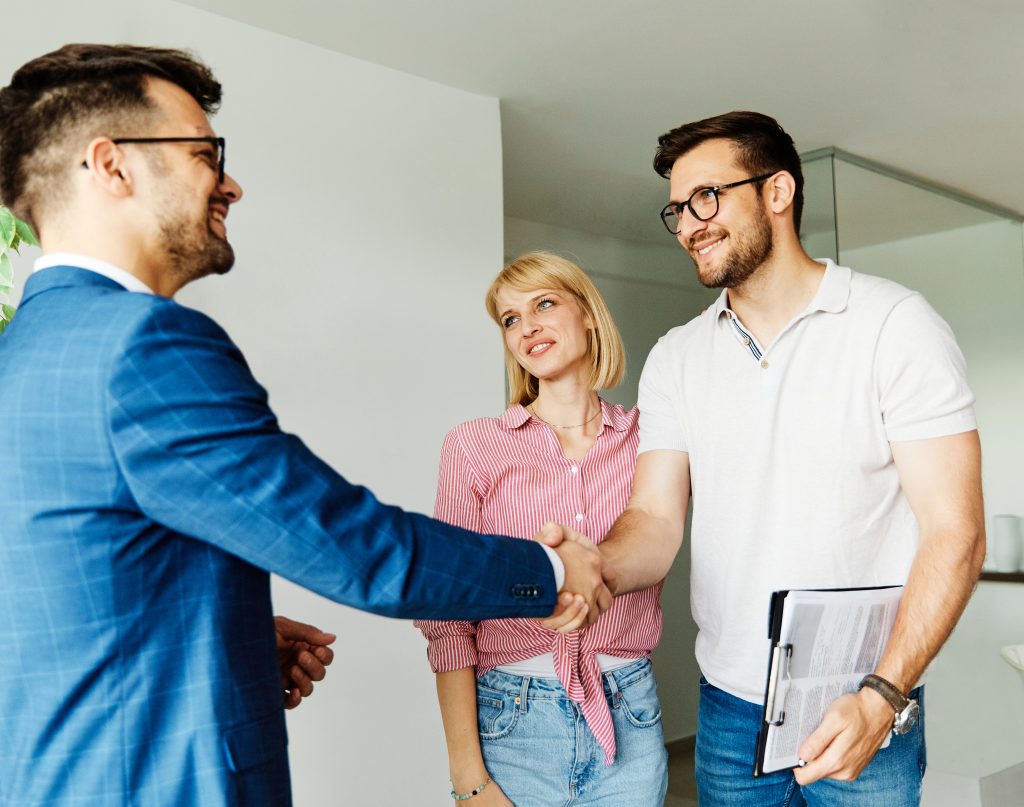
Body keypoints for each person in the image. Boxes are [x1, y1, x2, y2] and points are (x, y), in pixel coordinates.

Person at [0, 44, 610, 807]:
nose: (230, 183)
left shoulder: (20, 351)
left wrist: (235, 643)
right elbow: (355, 545)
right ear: (112, 165)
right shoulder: (145, 346)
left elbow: (66, 594)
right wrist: (551, 572)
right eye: (203, 153)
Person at [546, 111, 985, 805]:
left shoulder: (894, 326)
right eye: (677, 210)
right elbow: (656, 520)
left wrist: (882, 694)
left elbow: (955, 532)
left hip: (864, 701)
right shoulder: (677, 357)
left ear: (777, 192)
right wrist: (594, 564)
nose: (688, 223)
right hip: (729, 711)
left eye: (707, 198)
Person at [416, 252, 667, 806]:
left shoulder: (650, 441)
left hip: (629, 712)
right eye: (509, 319)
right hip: (513, 720)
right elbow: (446, 614)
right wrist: (469, 780)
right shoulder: (473, 446)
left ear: (590, 316)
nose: (526, 326)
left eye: (544, 304)